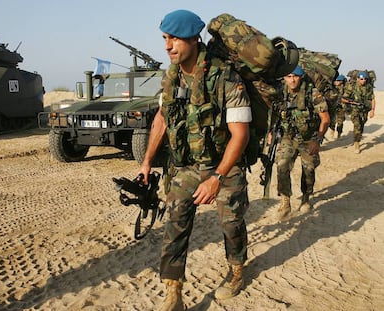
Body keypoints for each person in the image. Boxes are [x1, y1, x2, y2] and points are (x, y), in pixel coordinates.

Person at [137, 9, 251, 310]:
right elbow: (161, 118)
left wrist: (217, 178)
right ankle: (173, 292)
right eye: (164, 38)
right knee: (175, 221)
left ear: (192, 38)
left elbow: (240, 135)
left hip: (224, 164)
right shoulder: (171, 77)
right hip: (188, 166)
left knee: (232, 222)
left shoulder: (226, 78)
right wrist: (147, 161)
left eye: (173, 38)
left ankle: (237, 269)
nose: (167, 46)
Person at [273, 65, 330, 220]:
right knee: (282, 165)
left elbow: (325, 119)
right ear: (284, 78)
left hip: (309, 138)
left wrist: (317, 140)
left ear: (301, 77)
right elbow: (272, 113)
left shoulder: (313, 94)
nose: (292, 80)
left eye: (295, 76)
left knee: (309, 170)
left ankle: (306, 197)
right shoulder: (280, 92)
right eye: (288, 76)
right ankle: (285, 201)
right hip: (288, 137)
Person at [341, 71, 376, 153]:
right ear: (357, 79)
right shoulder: (352, 87)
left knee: (362, 125)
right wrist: (351, 102)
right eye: (361, 79)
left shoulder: (368, 87)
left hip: (364, 110)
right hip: (355, 109)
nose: (363, 80)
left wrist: (372, 110)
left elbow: (372, 99)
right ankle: (357, 144)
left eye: (365, 79)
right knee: (357, 126)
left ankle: (357, 138)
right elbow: (343, 99)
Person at [329, 74, 347, 139]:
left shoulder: (345, 88)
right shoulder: (332, 87)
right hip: (333, 106)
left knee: (340, 121)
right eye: (335, 80)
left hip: (341, 107)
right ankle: (332, 132)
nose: (336, 82)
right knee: (332, 120)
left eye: (338, 80)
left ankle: (339, 135)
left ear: (342, 81)